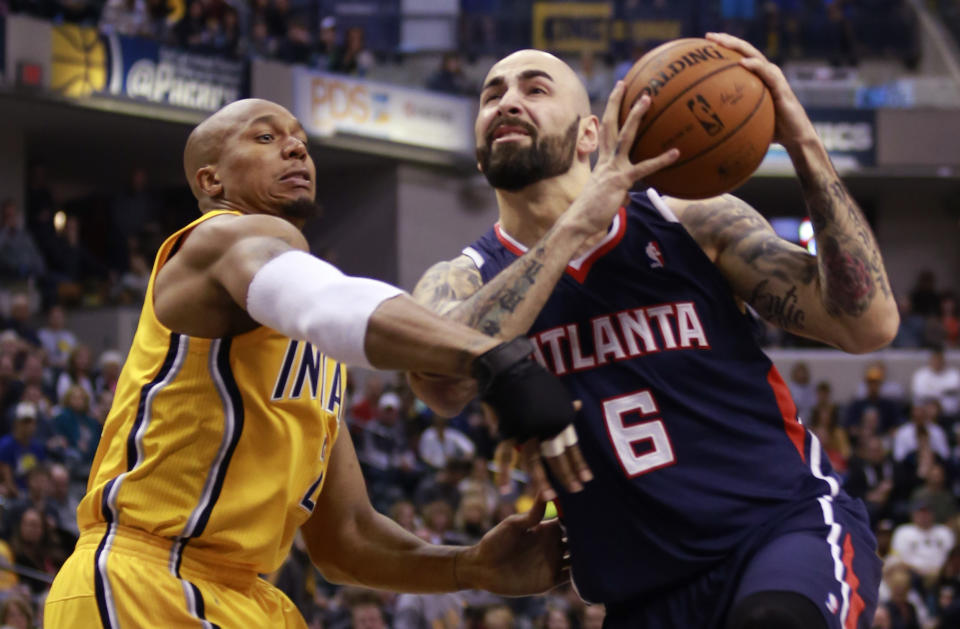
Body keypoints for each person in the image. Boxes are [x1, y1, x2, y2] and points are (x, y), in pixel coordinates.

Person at [408, 34, 899, 629]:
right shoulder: (459, 280)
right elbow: (439, 383)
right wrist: (571, 230)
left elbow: (868, 324)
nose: (507, 101)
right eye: (492, 96)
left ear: (591, 133)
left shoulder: (689, 220)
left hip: (777, 534)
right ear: (480, 147)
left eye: (535, 89)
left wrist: (803, 144)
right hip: (641, 591)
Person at [44, 98, 583, 628]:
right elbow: (326, 304)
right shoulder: (225, 237)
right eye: (265, 137)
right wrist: (494, 358)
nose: (296, 147)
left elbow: (346, 538)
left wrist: (471, 566)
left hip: (241, 596)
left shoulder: (312, 339)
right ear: (212, 182)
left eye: (299, 138)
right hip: (146, 580)